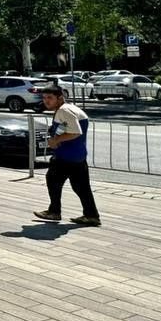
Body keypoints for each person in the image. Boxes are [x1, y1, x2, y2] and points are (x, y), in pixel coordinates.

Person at [35, 84, 100, 225]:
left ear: (60, 98)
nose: (46, 101)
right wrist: (54, 132)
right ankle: (91, 215)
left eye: (50, 98)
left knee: (53, 181)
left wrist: (55, 140)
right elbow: (67, 126)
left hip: (66, 156)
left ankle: (54, 212)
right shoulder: (70, 108)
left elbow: (75, 132)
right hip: (78, 156)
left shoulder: (64, 110)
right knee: (81, 187)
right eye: (44, 98)